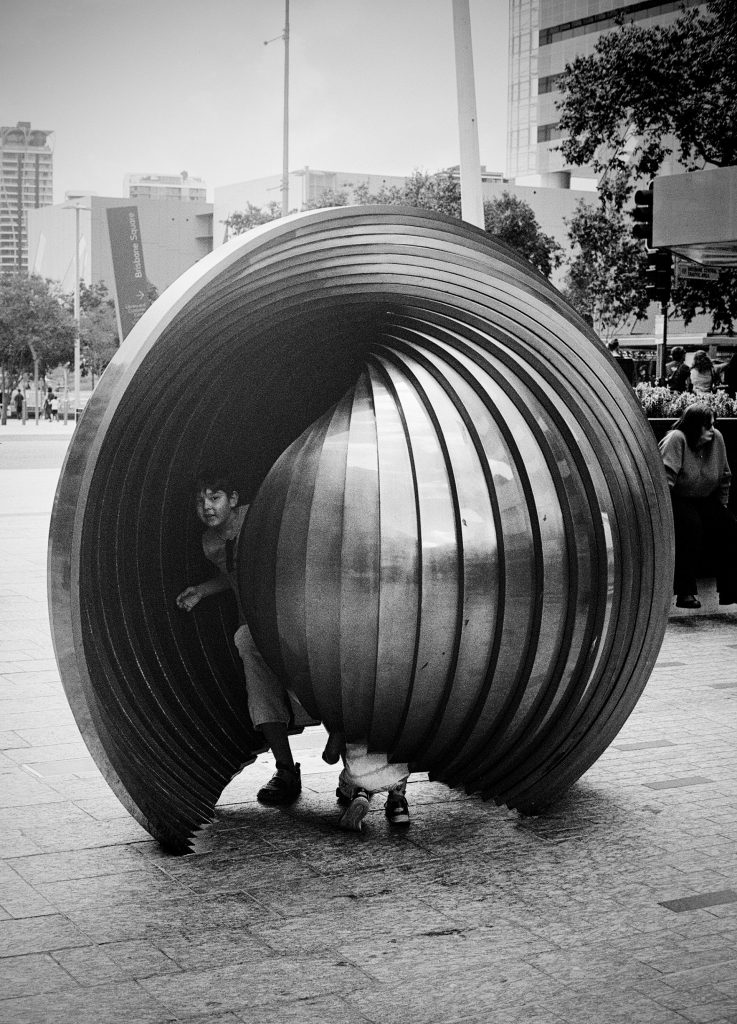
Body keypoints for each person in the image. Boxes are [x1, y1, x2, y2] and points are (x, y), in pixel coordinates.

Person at [176, 468, 303, 805]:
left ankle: (356, 771)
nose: (206, 507)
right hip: (254, 626)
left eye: (214, 498)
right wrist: (203, 590)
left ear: (233, 499)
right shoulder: (210, 542)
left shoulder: (258, 519)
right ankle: (286, 769)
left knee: (316, 685)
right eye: (199, 501)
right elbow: (233, 575)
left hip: (288, 617)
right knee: (256, 678)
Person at [659, 404, 737, 609]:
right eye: (707, 426)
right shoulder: (677, 439)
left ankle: (730, 589)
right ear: (695, 427)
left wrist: (723, 506)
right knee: (690, 527)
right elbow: (664, 479)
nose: (712, 429)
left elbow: (725, 476)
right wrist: (664, 513)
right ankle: (685, 592)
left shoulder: (716, 439)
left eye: (713, 425)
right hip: (677, 496)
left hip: (704, 496)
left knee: (729, 525)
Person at [323, 734, 410, 832]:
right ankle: (398, 804)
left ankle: (359, 793)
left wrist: (326, 755)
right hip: (396, 778)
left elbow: (331, 757)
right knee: (400, 769)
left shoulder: (345, 718)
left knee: (348, 780)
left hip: (358, 778)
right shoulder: (411, 718)